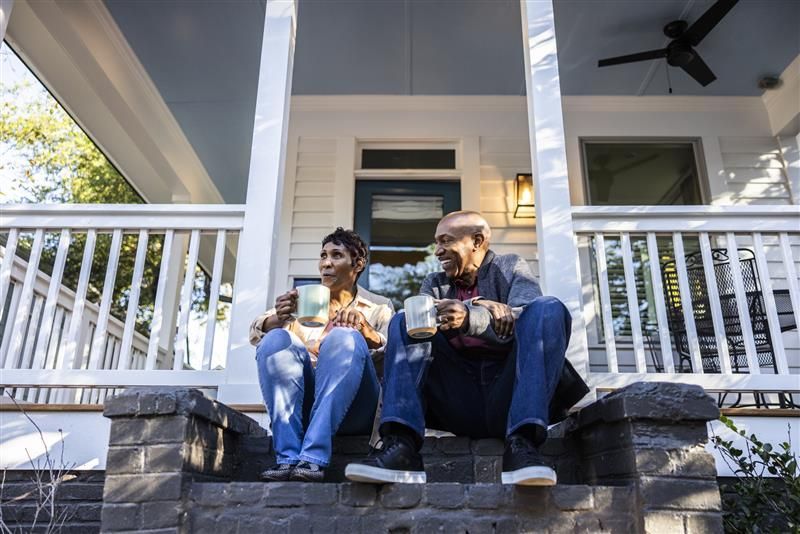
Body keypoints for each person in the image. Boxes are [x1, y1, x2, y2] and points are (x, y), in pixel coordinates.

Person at [345, 211, 588, 486]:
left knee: (549, 307)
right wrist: (481, 304)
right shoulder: (435, 283)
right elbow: (421, 327)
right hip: (457, 398)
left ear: (477, 241)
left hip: (509, 398)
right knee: (405, 320)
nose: (437, 251)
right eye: (437, 242)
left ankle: (523, 446)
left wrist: (470, 318)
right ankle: (400, 447)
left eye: (445, 241)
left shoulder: (510, 267)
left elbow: (528, 320)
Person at [250, 227, 393, 482]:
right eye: (323, 255)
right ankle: (287, 458)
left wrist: (365, 331)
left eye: (336, 255)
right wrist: (278, 318)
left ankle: (313, 457)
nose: (326, 263)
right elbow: (257, 334)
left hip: (356, 407)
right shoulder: (301, 301)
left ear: (358, 264)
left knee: (344, 337)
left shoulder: (379, 307)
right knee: (275, 339)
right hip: (304, 405)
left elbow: (392, 358)